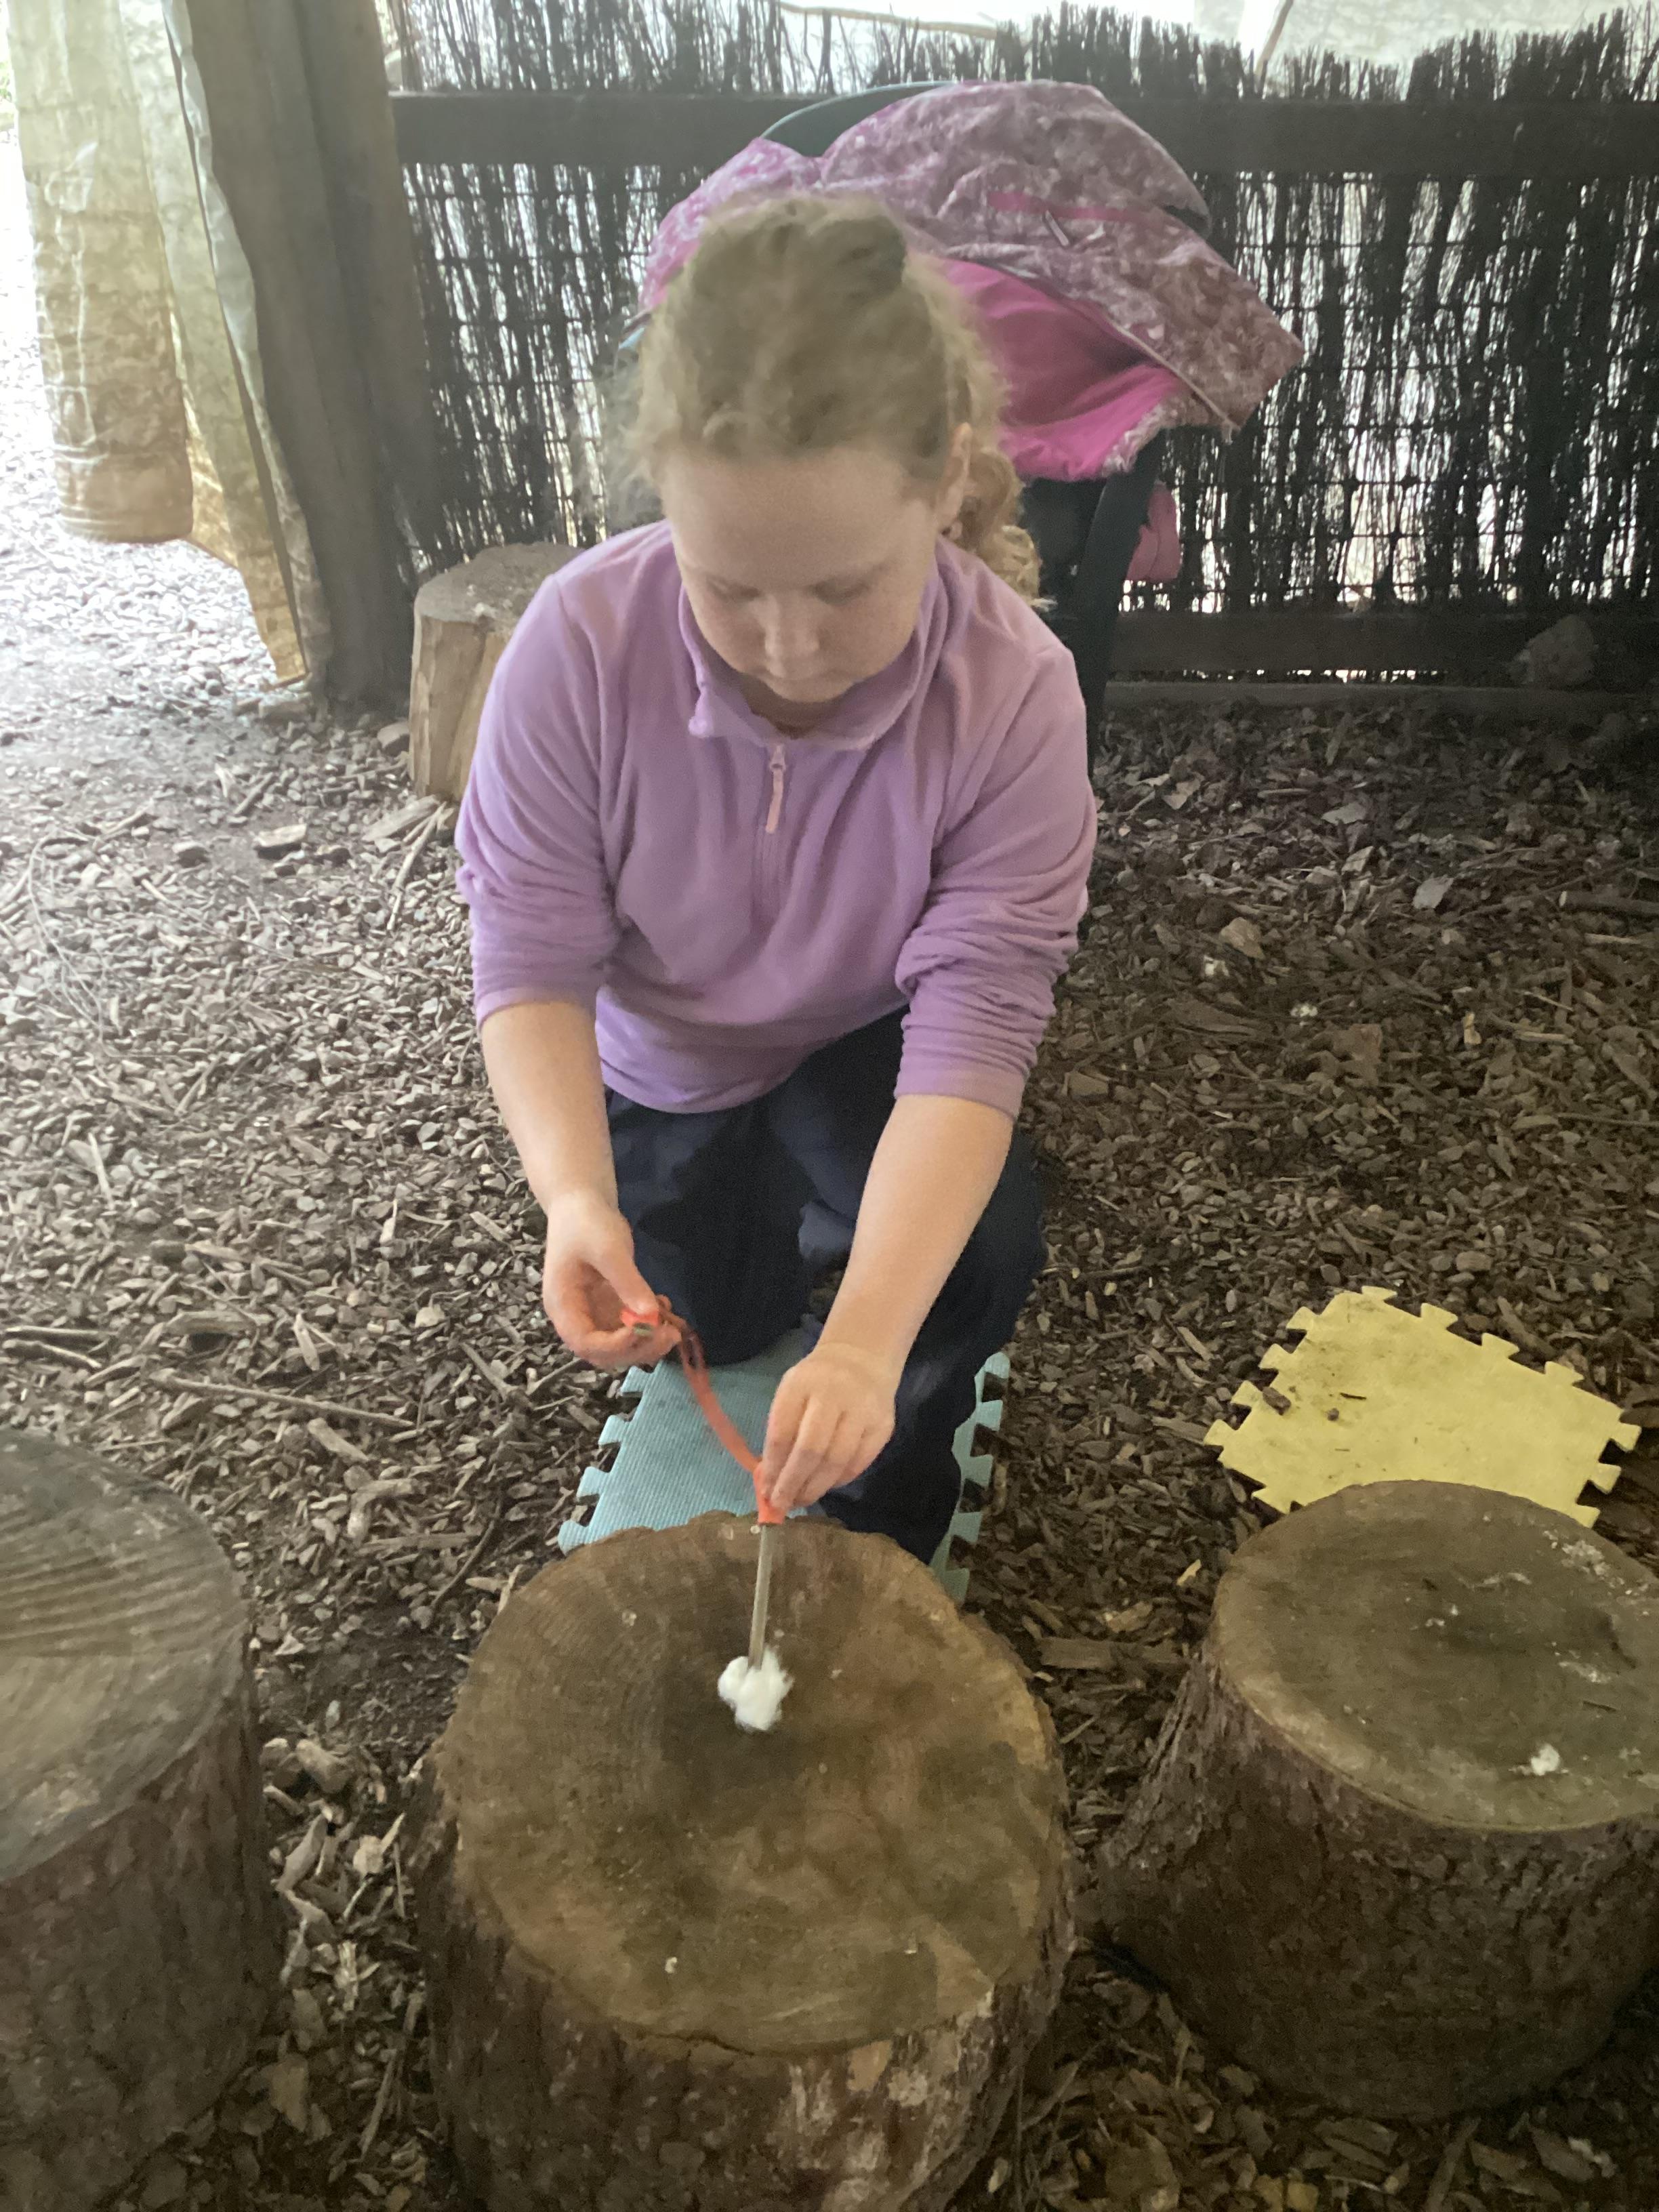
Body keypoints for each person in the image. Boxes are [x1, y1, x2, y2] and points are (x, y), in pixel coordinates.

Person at [453, 195, 1097, 1566]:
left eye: (846, 588)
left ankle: (887, 1517)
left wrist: (868, 1345)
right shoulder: (577, 646)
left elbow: (976, 1029)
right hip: (658, 1047)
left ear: (947, 484)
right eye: (731, 587)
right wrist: (574, 1199)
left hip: (864, 1031)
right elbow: (530, 956)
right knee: (707, 1315)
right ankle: (778, 1237)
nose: (790, 650)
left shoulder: (1016, 695)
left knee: (963, 1263)